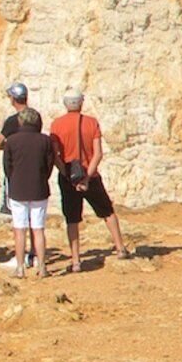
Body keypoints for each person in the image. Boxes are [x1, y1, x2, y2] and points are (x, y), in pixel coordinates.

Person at [48, 91, 123, 265]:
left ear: (66, 104)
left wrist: (67, 175)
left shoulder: (57, 125)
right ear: (81, 103)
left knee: (72, 219)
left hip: (68, 176)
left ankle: (75, 260)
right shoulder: (91, 122)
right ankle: (120, 248)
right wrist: (87, 177)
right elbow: (98, 154)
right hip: (90, 174)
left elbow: (56, 156)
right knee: (107, 212)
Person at [0, 97, 58, 276]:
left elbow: (7, 167)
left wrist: (14, 179)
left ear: (21, 121)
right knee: (38, 228)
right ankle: (42, 267)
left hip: (18, 189)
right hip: (39, 188)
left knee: (20, 229)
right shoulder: (44, 140)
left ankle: (20, 267)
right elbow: (49, 164)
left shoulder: (12, 141)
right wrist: (42, 178)